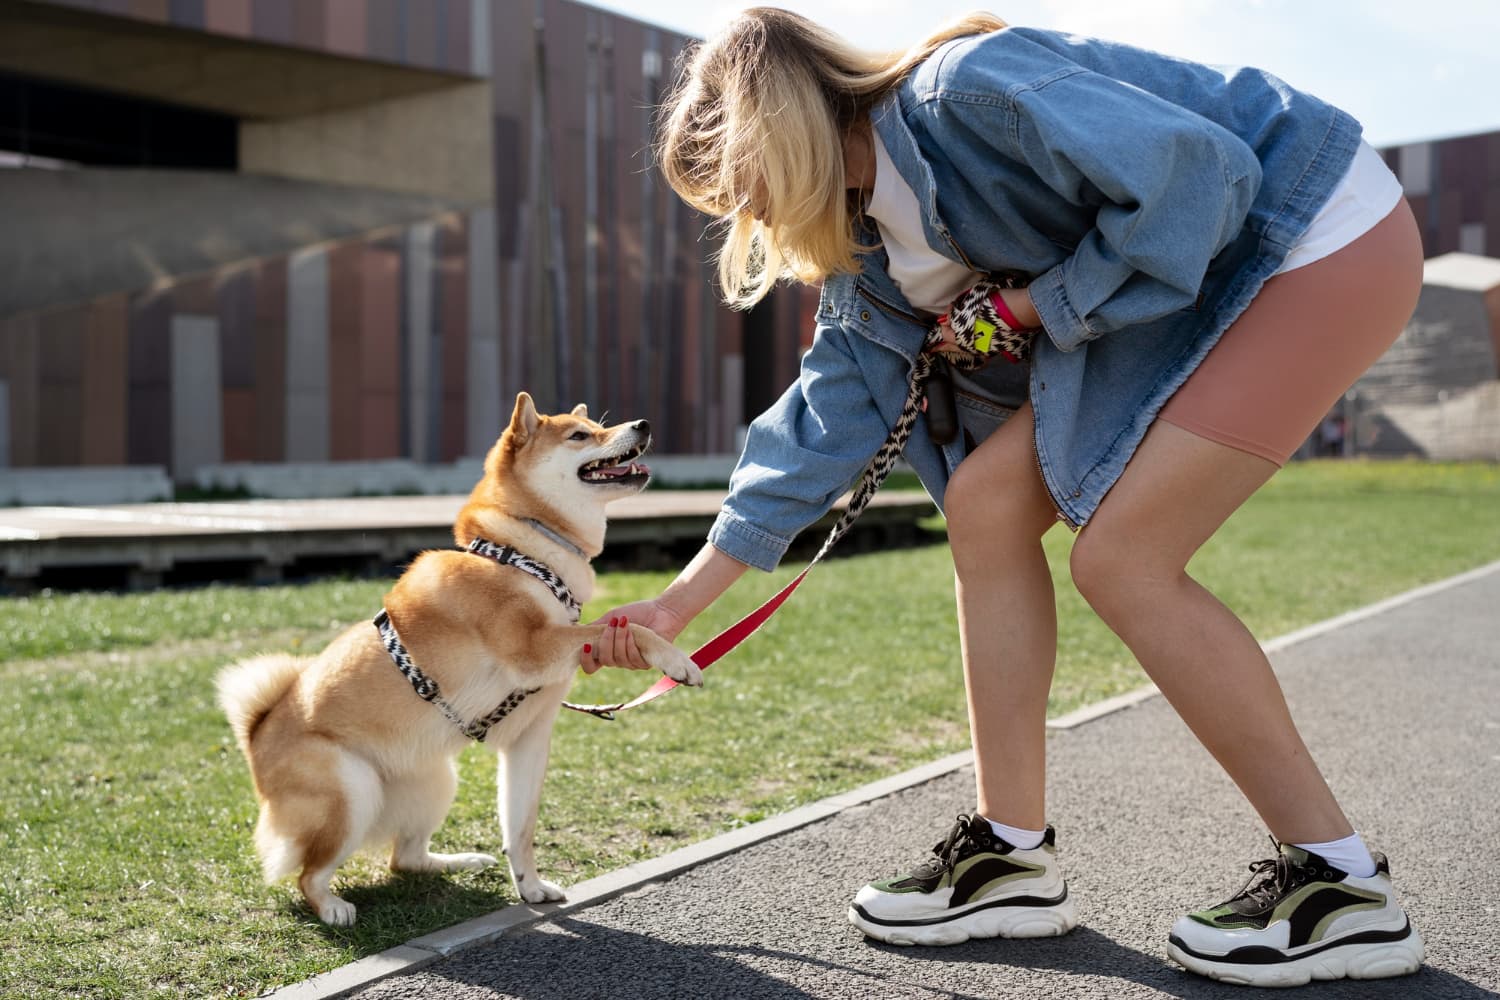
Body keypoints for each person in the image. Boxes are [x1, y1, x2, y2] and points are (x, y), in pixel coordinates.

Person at [583, 7, 1425, 986]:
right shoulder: (869, 254)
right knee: (983, 502)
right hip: (1209, 275)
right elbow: (821, 423)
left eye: (741, 190)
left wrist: (1028, 308)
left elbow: (1202, 179)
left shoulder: (965, 93)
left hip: (1314, 230)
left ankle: (1341, 884)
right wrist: (677, 603)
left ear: (775, 129)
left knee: (1123, 559)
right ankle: (1010, 857)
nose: (749, 222)